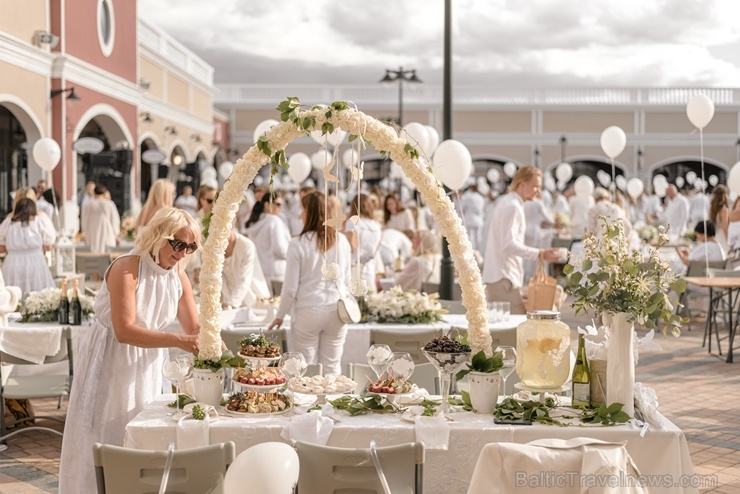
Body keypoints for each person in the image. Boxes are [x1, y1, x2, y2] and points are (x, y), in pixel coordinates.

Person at [58, 207, 201, 493]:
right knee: (104, 432)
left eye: (191, 246)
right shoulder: (127, 267)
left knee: (143, 432)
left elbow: (193, 327)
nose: (183, 253)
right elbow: (124, 331)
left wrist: (212, 342)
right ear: (159, 235)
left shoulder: (179, 277)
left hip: (148, 363)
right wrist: (179, 342)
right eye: (178, 244)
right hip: (111, 360)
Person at [267, 191, 351, 375]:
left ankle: (305, 404)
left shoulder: (297, 244)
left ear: (310, 212)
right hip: (336, 309)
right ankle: (332, 403)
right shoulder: (342, 240)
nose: (300, 214)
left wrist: (280, 315)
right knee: (332, 367)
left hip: (308, 310)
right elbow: (346, 279)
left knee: (303, 369)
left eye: (303, 209)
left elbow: (290, 288)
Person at [482, 166, 559, 313]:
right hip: (503, 279)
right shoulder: (512, 206)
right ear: (522, 184)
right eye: (535, 186)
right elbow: (508, 244)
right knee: (516, 331)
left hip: (501, 277)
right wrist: (540, 253)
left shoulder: (509, 202)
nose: (538, 191)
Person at [0, 198, 55, 294]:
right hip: (36, 261)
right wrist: (35, 248)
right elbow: (49, 245)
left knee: (12, 294)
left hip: (13, 263)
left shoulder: (8, 223)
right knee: (38, 293)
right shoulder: (39, 221)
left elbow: (1, 248)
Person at [244, 193, 291, 295]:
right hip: (276, 272)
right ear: (267, 204)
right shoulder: (274, 222)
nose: (280, 208)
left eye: (281, 205)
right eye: (278, 204)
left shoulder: (255, 222)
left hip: (260, 271)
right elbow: (281, 249)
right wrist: (292, 254)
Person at [221, 218, 270, 309]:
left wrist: (231, 304)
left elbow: (244, 280)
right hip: (229, 303)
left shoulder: (246, 246)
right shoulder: (214, 246)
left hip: (254, 301)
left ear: (233, 222)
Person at [344, 194, 382, 293]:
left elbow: (350, 247)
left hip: (354, 269)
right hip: (369, 269)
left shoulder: (352, 223)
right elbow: (375, 250)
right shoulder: (376, 225)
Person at [81, 184, 121, 253]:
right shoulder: (109, 204)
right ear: (104, 193)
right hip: (107, 233)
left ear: (94, 192)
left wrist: (85, 233)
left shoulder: (88, 205)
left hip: (92, 233)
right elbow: (115, 220)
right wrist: (116, 234)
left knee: (93, 256)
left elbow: (84, 220)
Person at [709, 185, 730, 253]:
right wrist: (728, 240)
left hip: (715, 235)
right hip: (722, 236)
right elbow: (725, 227)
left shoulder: (712, 209)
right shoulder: (724, 209)